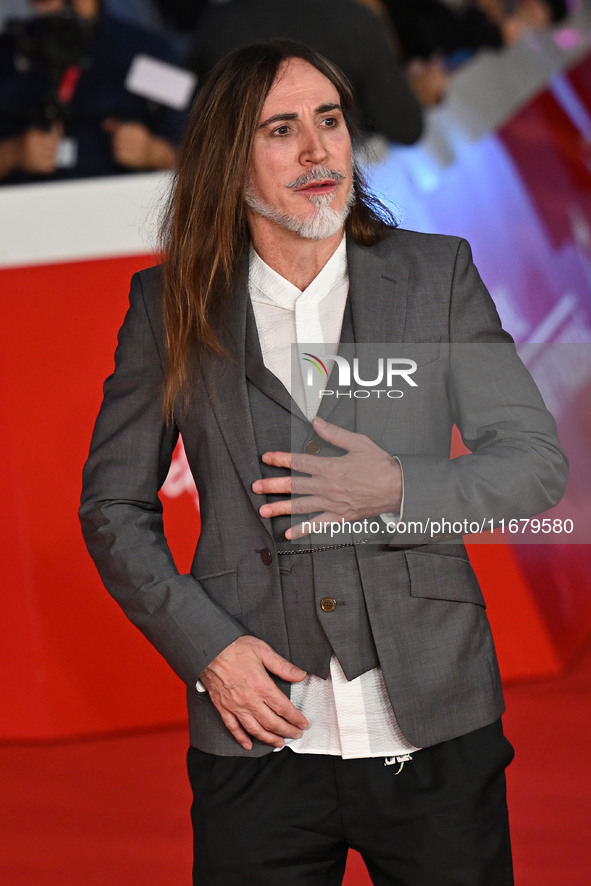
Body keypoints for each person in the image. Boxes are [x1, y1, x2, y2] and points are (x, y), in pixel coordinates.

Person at [80, 40, 568, 885]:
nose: (317, 151)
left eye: (329, 121)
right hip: (258, 733)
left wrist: (402, 488)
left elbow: (532, 462)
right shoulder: (169, 304)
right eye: (281, 130)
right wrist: (206, 649)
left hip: (432, 720)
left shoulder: (433, 274)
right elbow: (112, 507)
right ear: (229, 162)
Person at [0, 0, 185, 183]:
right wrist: (12, 154)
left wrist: (153, 152)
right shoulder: (9, 51)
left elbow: (197, 153)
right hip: (24, 207)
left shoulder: (149, 51)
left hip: (123, 205)